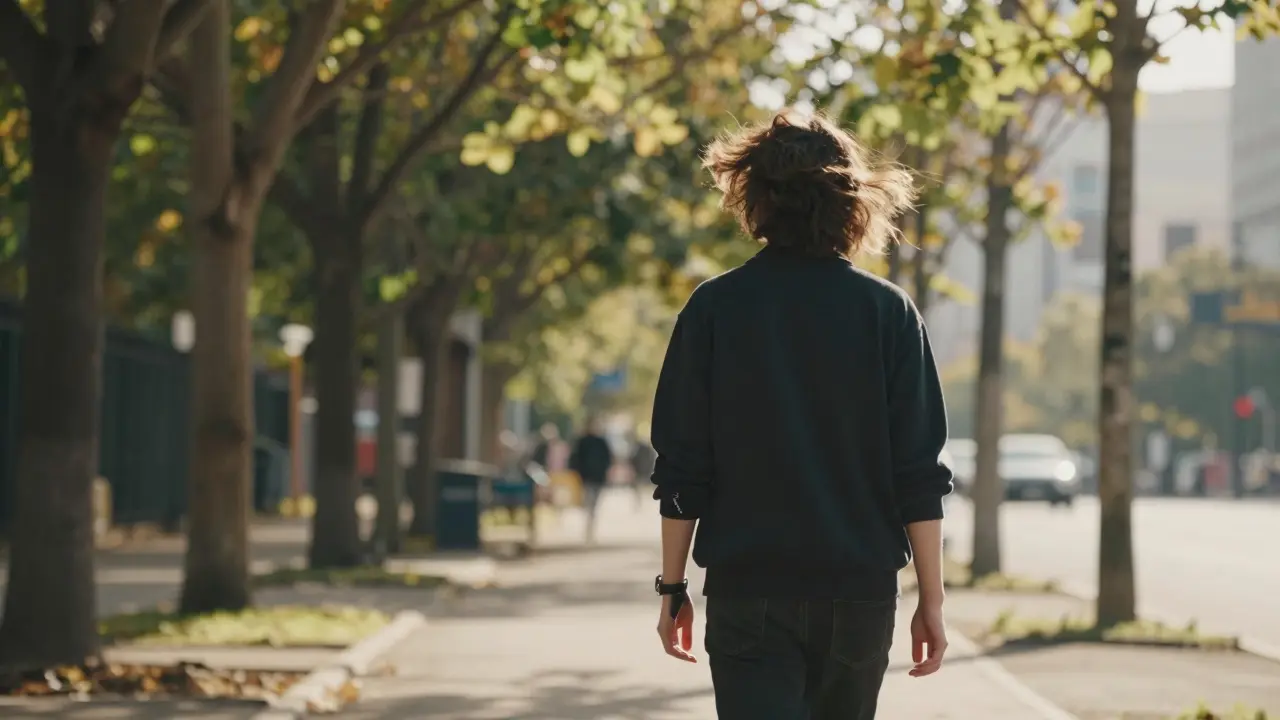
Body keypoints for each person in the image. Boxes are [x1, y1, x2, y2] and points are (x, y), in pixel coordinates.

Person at [649, 110, 954, 720]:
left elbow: (683, 468)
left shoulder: (713, 309)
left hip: (748, 590)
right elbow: (918, 473)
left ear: (754, 197)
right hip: (859, 594)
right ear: (852, 202)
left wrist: (674, 587)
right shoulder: (889, 313)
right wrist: (931, 599)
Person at [569, 415, 613, 544]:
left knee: (594, 503)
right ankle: (588, 525)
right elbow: (575, 459)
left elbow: (608, 459)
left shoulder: (602, 442)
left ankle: (590, 526)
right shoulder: (582, 441)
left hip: (598, 477)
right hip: (586, 477)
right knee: (589, 501)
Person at [629, 432, 657, 512]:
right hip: (644, 471)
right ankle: (641, 501)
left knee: (639, 487)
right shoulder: (648, 449)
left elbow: (633, 459)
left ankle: (640, 501)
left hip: (640, 471)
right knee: (641, 487)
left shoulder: (638, 448)